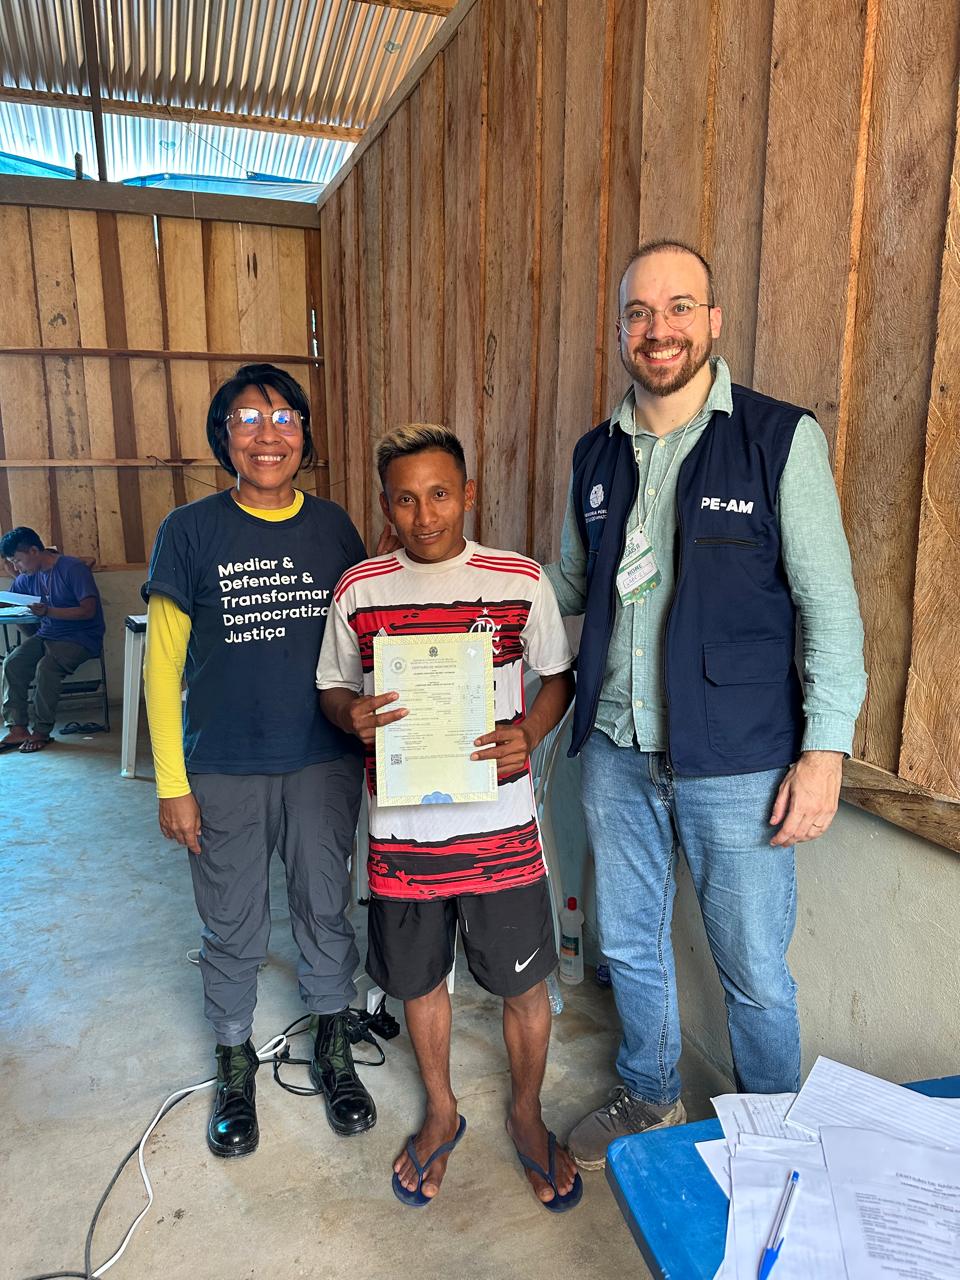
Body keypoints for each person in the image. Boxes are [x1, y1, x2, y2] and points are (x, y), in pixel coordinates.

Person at [546, 240, 867, 1170]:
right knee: (629, 947)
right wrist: (463, 605)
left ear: (713, 320)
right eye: (640, 312)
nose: (660, 329)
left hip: (741, 760)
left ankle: (773, 1142)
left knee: (756, 971)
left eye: (680, 307)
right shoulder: (597, 454)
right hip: (616, 751)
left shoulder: (777, 440)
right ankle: (650, 1095)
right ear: (621, 330)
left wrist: (824, 752)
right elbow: (567, 586)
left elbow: (830, 607)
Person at [317, 424, 582, 1212]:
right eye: (405, 499)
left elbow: (558, 677)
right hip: (403, 837)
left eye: (439, 494)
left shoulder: (519, 580)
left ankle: (526, 1112)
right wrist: (349, 713)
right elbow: (332, 686)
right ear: (385, 507)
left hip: (501, 833)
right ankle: (441, 1108)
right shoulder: (360, 589)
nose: (424, 514)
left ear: (468, 494)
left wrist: (530, 733)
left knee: (523, 986)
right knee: (419, 981)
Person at [142, 363, 376, 1159]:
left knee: (323, 906)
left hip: (321, 759)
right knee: (232, 921)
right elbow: (162, 666)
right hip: (224, 764)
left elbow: (360, 640)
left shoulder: (334, 527)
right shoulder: (189, 531)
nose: (267, 434)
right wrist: (172, 784)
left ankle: (333, 1044)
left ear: (304, 435)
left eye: (283, 418)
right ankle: (234, 1056)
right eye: (246, 419)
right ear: (224, 439)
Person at [1, 526, 105, 753]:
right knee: (13, 663)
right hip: (47, 634)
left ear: (33, 551)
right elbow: (12, 601)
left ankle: (41, 731)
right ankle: (18, 728)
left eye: (17, 561)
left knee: (46, 668)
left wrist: (48, 612)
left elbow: (88, 611)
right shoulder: (28, 577)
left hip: (81, 637)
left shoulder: (73, 568)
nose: (16, 568)